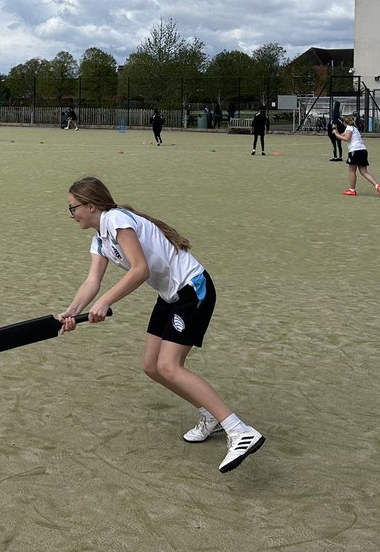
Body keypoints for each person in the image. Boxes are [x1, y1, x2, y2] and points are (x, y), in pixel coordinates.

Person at [59, 176, 264, 473]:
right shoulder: (99, 240)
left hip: (193, 289)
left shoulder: (116, 219)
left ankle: (239, 430)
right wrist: (70, 312)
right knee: (152, 366)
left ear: (90, 205)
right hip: (170, 296)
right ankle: (211, 416)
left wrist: (106, 302)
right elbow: (92, 281)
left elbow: (140, 269)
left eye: (73, 208)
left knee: (170, 366)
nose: (71, 214)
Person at [331, 117, 380, 197]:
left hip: (355, 151)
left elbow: (346, 138)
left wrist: (335, 133)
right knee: (364, 172)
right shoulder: (353, 129)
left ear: (344, 122)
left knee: (352, 171)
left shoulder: (349, 128)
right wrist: (335, 130)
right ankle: (378, 186)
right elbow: (339, 136)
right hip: (362, 151)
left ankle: (352, 190)